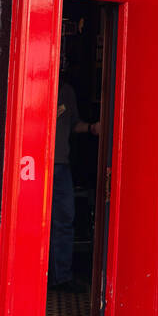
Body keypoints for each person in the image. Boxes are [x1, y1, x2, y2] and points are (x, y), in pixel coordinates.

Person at [51, 73, 99, 289]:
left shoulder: (66, 91)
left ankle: (61, 277)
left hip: (61, 165)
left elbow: (73, 124)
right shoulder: (36, 84)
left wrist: (91, 128)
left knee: (64, 221)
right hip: (33, 164)